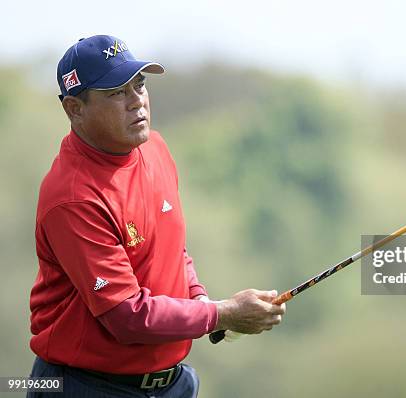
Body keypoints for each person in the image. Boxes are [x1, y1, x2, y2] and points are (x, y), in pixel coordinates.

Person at [28, 35, 286, 397]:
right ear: (75, 109)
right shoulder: (73, 197)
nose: (137, 101)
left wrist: (200, 301)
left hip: (172, 385)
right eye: (116, 93)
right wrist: (222, 313)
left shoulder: (155, 149)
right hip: (83, 386)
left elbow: (172, 251)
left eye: (139, 84)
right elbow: (127, 317)